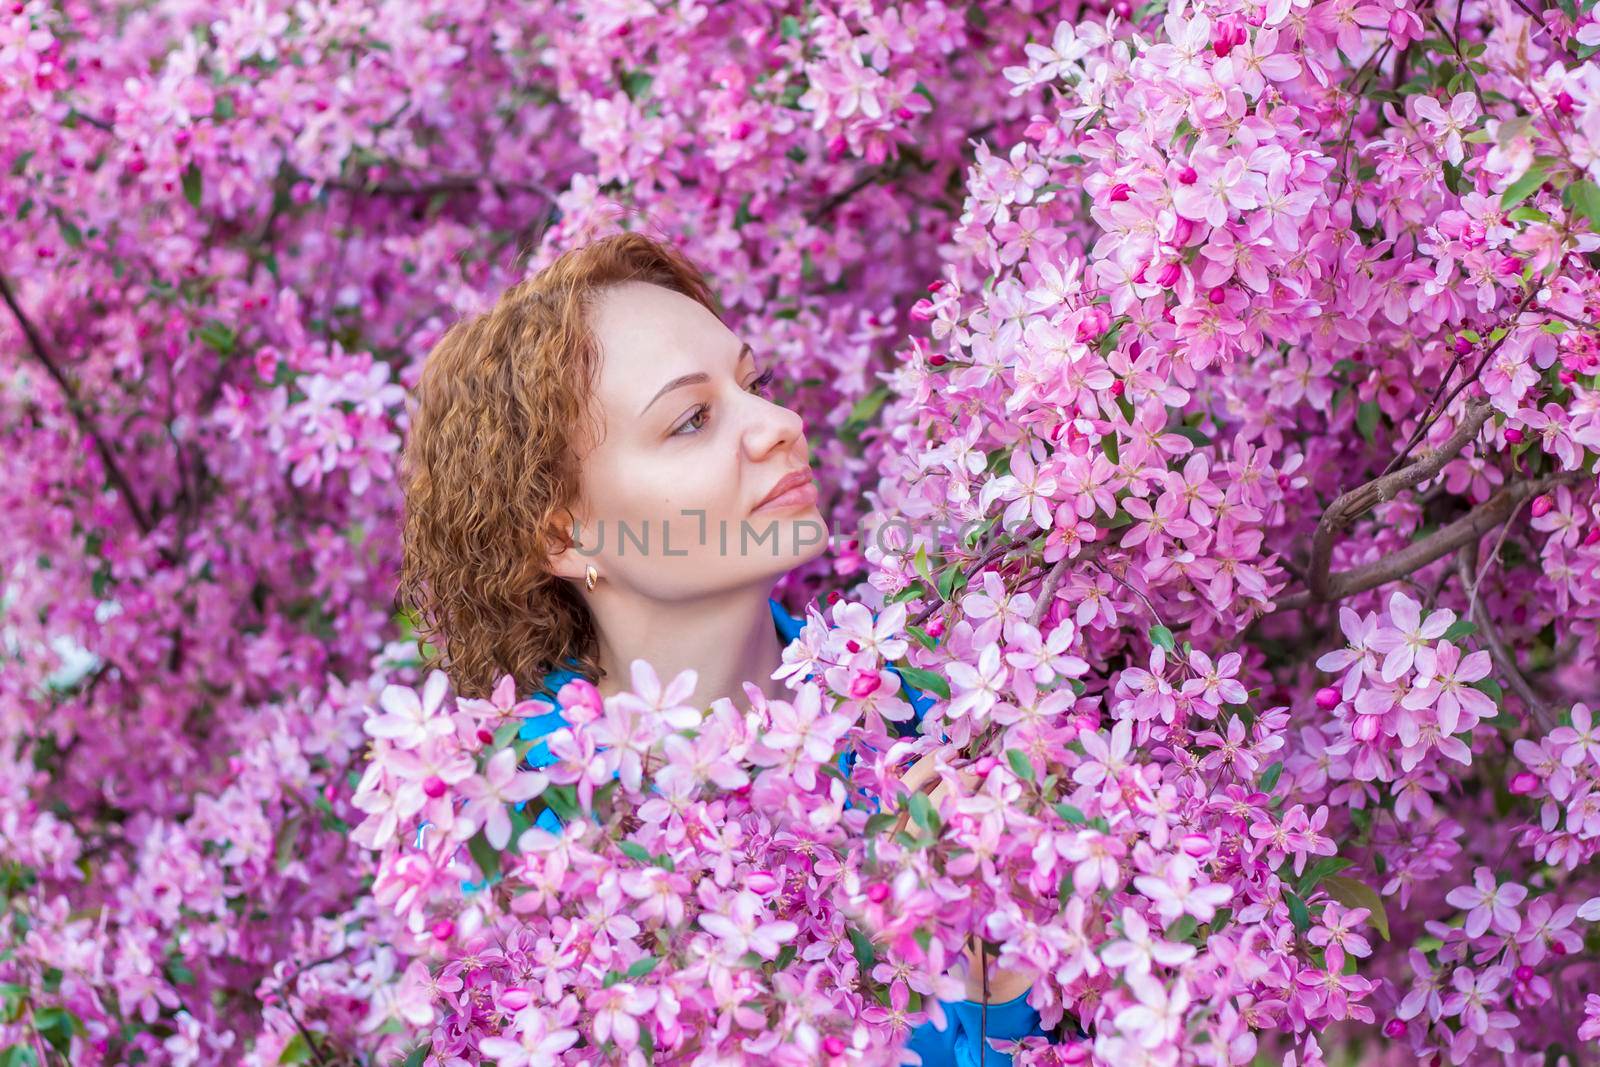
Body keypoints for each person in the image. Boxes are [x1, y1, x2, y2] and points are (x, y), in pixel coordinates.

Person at [398, 230, 1049, 1063]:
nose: (779, 424)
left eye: (755, 385)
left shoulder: (938, 718)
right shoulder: (502, 826)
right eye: (694, 418)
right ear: (566, 533)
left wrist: (1001, 979)